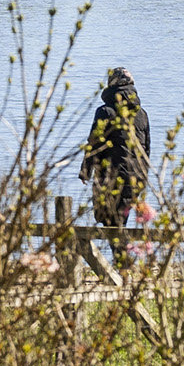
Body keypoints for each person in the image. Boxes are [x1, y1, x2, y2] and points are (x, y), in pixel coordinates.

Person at [76, 67, 151, 238]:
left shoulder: (105, 112)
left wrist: (85, 171)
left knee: (109, 222)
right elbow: (147, 148)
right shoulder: (142, 114)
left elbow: (94, 144)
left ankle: (122, 255)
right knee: (117, 223)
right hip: (135, 177)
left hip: (110, 176)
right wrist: (143, 177)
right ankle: (122, 254)